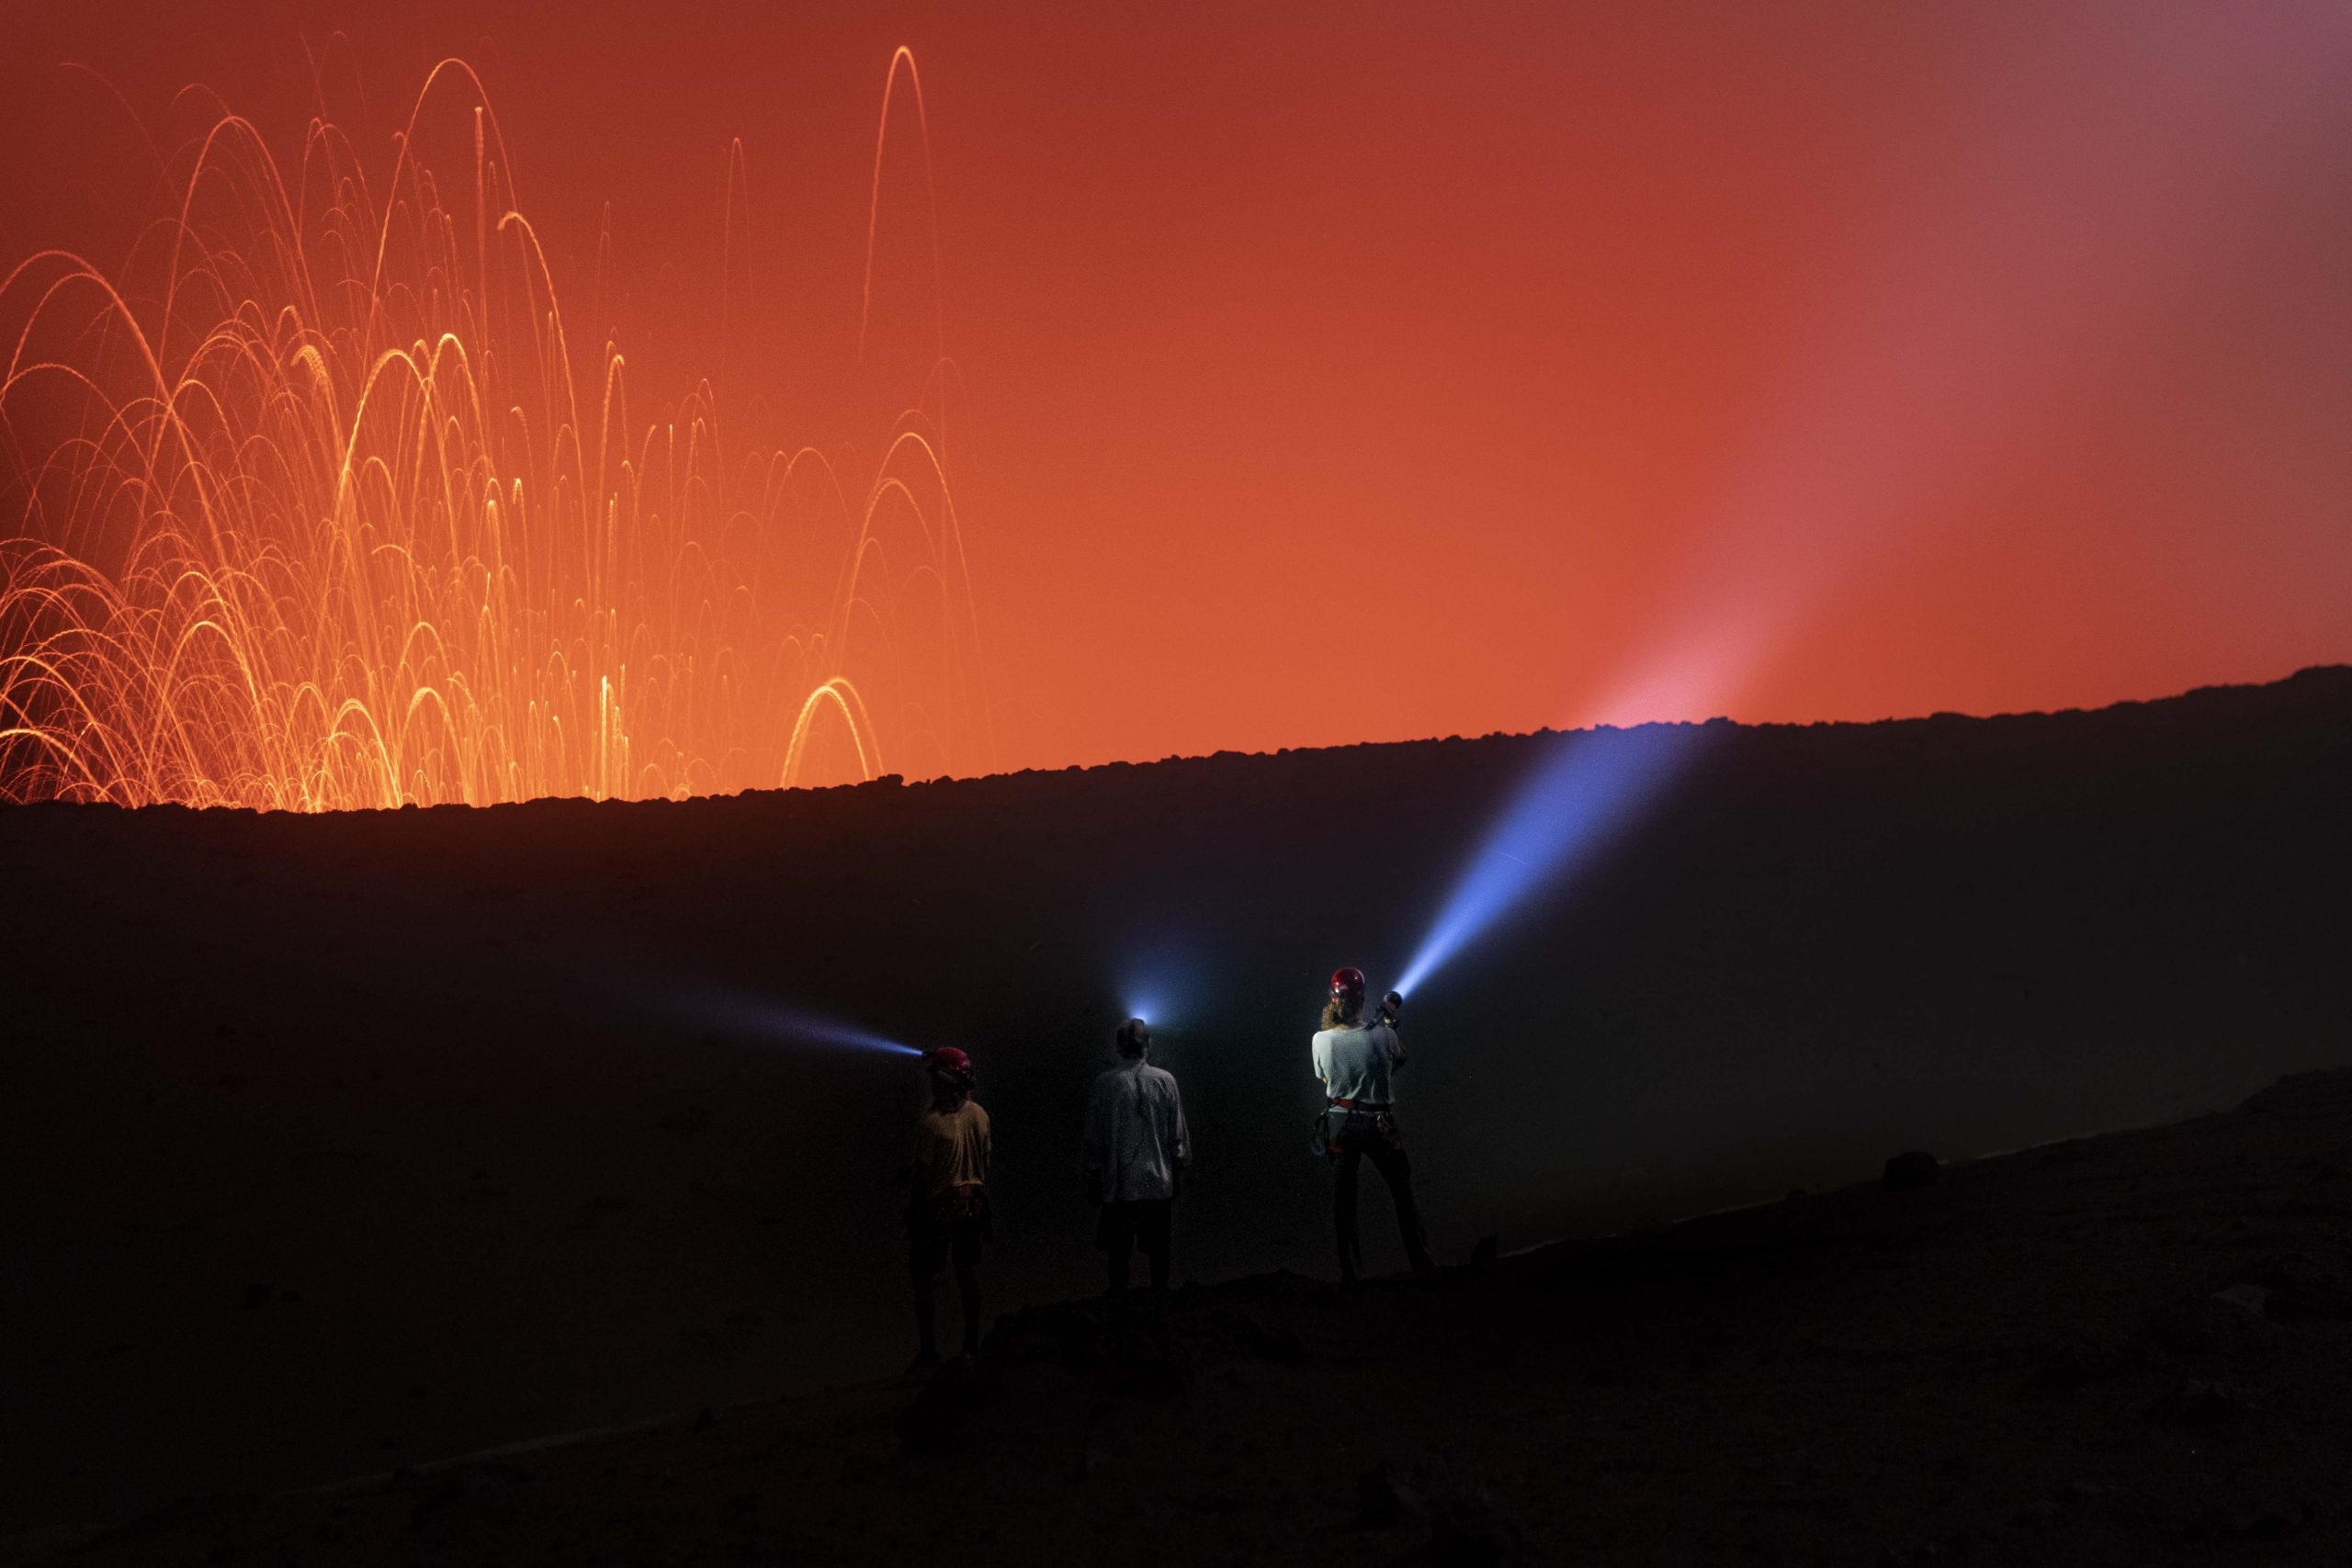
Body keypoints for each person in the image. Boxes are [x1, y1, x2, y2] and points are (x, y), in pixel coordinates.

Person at [1312, 966, 1432, 1283]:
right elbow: (1398, 1062)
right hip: (1380, 1124)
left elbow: (1324, 1077)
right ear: (1363, 998)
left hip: (1340, 1124)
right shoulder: (1385, 1035)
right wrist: (1390, 1027)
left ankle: (1351, 1279)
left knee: (1344, 1204)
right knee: (1403, 1193)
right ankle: (1423, 1267)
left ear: (1333, 997)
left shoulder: (1320, 1039)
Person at [1083, 1017, 1191, 1295]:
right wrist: (1178, 1169)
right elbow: (1176, 1135)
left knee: (1119, 1254)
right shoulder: (1166, 1081)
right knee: (1158, 1254)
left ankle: (1120, 1314)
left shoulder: (1105, 1084)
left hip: (1120, 1185)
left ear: (1118, 1047)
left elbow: (1095, 1138)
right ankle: (1159, 1308)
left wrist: (1094, 1172)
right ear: (1148, 1045)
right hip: (1157, 1182)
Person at [901, 1045, 991, 1368]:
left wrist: (914, 1212)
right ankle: (972, 1344)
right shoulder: (980, 1115)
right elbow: (985, 1163)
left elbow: (923, 1177)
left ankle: (929, 1351)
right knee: (967, 1275)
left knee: (923, 1278)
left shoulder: (929, 1124)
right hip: (973, 1206)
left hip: (937, 1208)